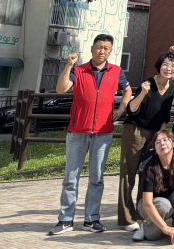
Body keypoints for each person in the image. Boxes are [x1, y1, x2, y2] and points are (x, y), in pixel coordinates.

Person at [49, 34, 132, 236]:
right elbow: (60, 89)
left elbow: (128, 91)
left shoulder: (116, 71)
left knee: (97, 178)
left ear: (110, 51)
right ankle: (65, 219)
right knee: (71, 178)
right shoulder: (79, 70)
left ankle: (91, 218)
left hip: (103, 133)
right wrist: (69, 66)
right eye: (99, 47)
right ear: (92, 48)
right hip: (78, 131)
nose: (102, 51)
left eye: (106, 48)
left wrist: (121, 109)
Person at [118, 51, 174, 231]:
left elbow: (165, 115)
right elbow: (132, 109)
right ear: (159, 66)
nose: (169, 68)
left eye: (173, 66)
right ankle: (126, 219)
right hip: (135, 130)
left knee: (146, 173)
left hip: (154, 134)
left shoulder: (172, 87)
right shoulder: (147, 84)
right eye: (166, 64)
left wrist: (161, 134)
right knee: (128, 173)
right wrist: (142, 93)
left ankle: (141, 213)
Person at [134, 130, 174, 242]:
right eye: (158, 142)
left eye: (165, 140)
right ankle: (145, 227)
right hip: (151, 204)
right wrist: (165, 228)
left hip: (172, 198)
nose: (162, 144)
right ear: (155, 148)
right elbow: (147, 204)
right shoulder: (149, 167)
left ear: (173, 143)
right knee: (153, 236)